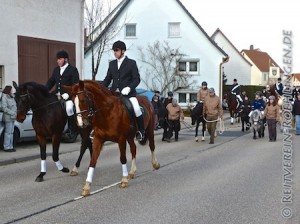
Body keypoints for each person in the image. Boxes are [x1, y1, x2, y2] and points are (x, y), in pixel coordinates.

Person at [102, 40, 145, 141]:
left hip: (128, 94)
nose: (115, 53)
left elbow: (136, 79)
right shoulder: (112, 64)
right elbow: (108, 79)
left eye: (116, 50)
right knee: (101, 107)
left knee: (136, 108)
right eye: (114, 51)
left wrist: (129, 88)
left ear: (123, 51)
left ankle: (141, 131)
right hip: (114, 94)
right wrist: (101, 88)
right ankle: (98, 129)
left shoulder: (131, 63)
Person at [46, 50, 79, 142]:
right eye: (57, 59)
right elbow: (51, 82)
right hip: (57, 94)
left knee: (69, 109)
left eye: (59, 59)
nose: (58, 61)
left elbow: (75, 85)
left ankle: (72, 129)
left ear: (65, 59)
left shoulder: (73, 70)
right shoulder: (56, 70)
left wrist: (68, 94)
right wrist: (44, 90)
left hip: (68, 96)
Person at [1, 85, 17, 152]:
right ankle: (6, 147)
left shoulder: (12, 96)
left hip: (13, 117)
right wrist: (12, 113)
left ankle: (11, 146)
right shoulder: (4, 97)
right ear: (8, 90)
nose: (12, 91)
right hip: (8, 117)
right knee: (8, 133)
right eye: (11, 89)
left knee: (12, 132)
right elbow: (4, 108)